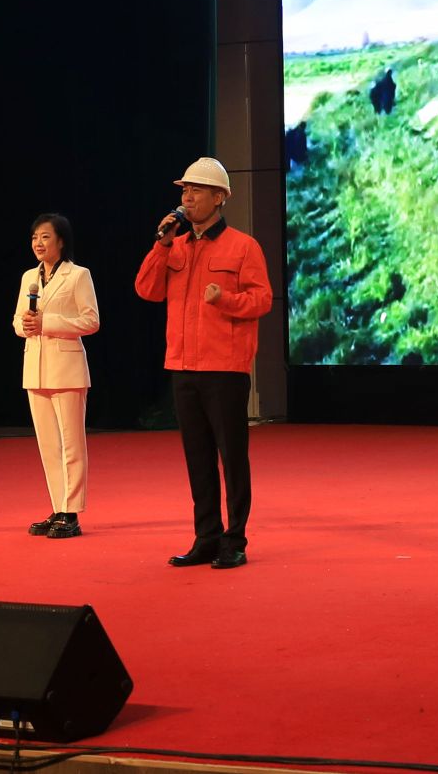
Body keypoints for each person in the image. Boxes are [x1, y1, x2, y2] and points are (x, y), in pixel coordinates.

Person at [136, 157, 273, 570]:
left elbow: (262, 300)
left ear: (219, 198)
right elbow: (147, 290)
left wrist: (225, 299)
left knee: (232, 458)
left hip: (225, 368)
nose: (188, 197)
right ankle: (207, 538)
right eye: (185, 190)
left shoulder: (243, 246)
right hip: (183, 366)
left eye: (196, 190)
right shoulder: (175, 245)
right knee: (197, 459)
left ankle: (235, 539)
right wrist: (161, 244)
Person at [14, 212, 100, 539]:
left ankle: (71, 511)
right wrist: (24, 326)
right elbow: (17, 320)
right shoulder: (29, 277)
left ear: (61, 241)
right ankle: (57, 506)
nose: (38, 243)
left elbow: (91, 321)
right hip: (35, 368)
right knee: (49, 445)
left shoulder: (78, 275)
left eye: (45, 237)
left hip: (67, 369)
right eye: (35, 237)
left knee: (71, 443)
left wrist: (47, 323)